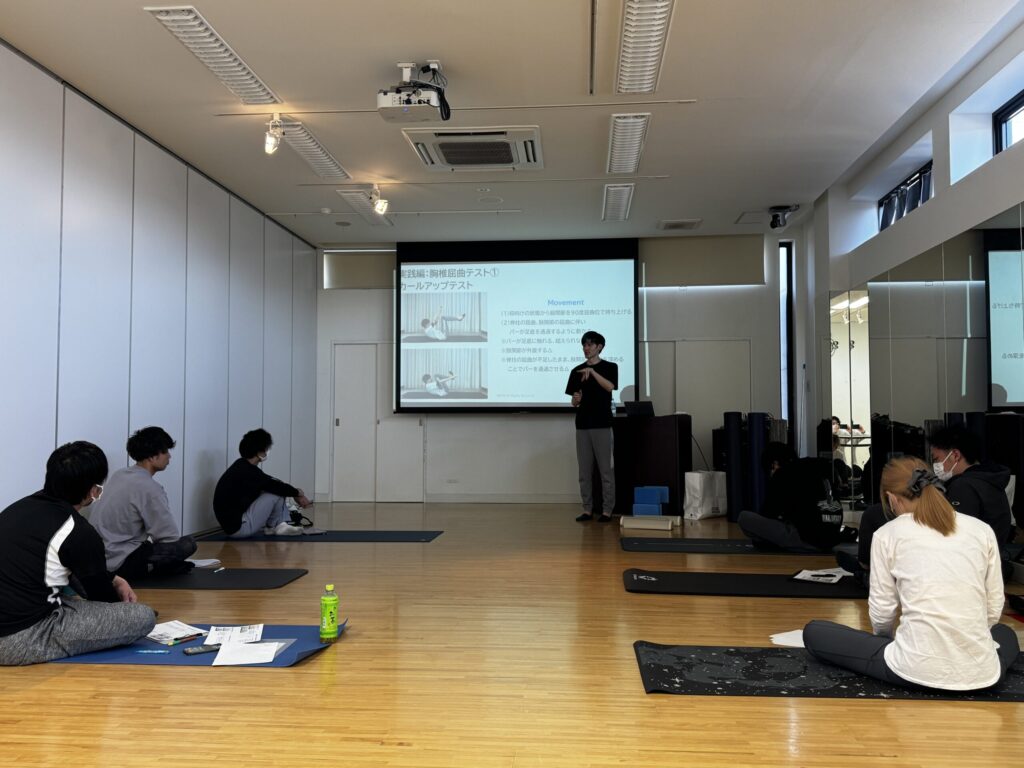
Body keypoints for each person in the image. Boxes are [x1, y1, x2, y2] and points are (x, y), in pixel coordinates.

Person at [804, 457, 1018, 692]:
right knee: (1006, 633)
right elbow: (994, 605)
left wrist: (884, 641)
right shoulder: (981, 530)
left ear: (892, 498)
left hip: (911, 670)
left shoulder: (887, 533)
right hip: (983, 674)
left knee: (815, 632)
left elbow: (882, 613)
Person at [0, 441, 156, 665]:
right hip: (19, 638)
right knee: (143, 616)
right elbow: (102, 598)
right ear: (93, 491)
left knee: (72, 597)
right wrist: (121, 610)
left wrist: (113, 578)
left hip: (16, 613)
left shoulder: (18, 508)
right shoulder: (78, 531)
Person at [88, 426, 197, 580]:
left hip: (98, 557)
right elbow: (168, 537)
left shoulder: (119, 474)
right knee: (188, 544)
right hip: (120, 561)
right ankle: (152, 568)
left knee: (147, 546)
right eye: (165, 451)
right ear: (153, 456)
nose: (169, 456)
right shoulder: (150, 488)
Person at [737, 442, 854, 552]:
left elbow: (768, 514)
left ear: (774, 464)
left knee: (744, 517)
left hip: (809, 539)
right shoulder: (817, 466)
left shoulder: (782, 474)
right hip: (832, 537)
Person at [213, 429, 315, 538]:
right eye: (266, 448)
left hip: (234, 526)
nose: (267, 451)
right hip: (240, 528)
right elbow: (276, 486)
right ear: (259, 452)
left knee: (273, 488)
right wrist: (298, 493)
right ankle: (278, 525)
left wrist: (295, 492)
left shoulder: (242, 467)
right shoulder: (248, 471)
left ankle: (273, 526)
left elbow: (270, 481)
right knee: (276, 492)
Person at [928, 424, 1014, 549]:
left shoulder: (963, 487)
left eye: (936, 459)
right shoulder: (989, 479)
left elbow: (954, 537)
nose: (935, 465)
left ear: (955, 455)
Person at [565, 331, 618, 522]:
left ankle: (607, 510)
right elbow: (574, 402)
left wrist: (593, 372)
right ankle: (587, 509)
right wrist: (575, 399)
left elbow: (610, 387)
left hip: (602, 424)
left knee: (606, 470)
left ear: (599, 347)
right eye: (584, 345)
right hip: (582, 425)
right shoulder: (577, 371)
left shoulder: (610, 367)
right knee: (584, 472)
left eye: (589, 345)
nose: (586, 348)